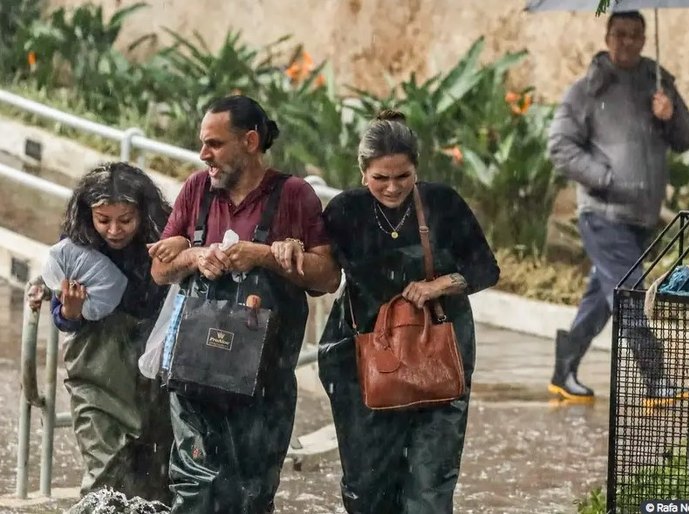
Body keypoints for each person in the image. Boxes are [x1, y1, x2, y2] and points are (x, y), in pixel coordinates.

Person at [299, 110, 500, 514]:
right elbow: (321, 274)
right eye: (381, 179)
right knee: (367, 481)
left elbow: (485, 268)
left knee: (431, 480)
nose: (392, 188)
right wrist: (291, 251)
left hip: (437, 352)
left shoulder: (442, 203)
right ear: (362, 173)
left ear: (416, 170)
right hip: (362, 355)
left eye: (403, 177)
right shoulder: (345, 211)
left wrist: (440, 284)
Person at [150, 94, 341, 513]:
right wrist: (197, 256)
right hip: (194, 375)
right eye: (203, 144)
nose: (204, 155)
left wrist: (265, 254)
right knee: (194, 491)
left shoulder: (294, 195)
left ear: (251, 141)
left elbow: (328, 277)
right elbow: (160, 271)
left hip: (265, 384)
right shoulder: (196, 189)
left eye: (215, 144)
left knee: (252, 496)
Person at [548, 10, 689, 403]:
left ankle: (563, 371)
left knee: (601, 297)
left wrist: (670, 114)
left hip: (641, 216)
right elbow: (560, 146)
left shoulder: (659, 83)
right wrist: (607, 179)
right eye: (620, 34)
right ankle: (656, 378)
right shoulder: (587, 90)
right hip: (603, 212)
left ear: (645, 39)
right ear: (608, 36)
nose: (627, 42)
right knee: (629, 291)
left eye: (635, 35)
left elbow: (684, 139)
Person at [46, 162, 183, 503]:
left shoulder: (163, 242)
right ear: (87, 215)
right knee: (104, 475)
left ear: (143, 214)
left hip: (154, 373)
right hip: (97, 376)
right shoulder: (76, 248)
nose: (114, 230)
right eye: (103, 220)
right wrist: (70, 311)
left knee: (154, 476)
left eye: (125, 220)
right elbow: (61, 313)